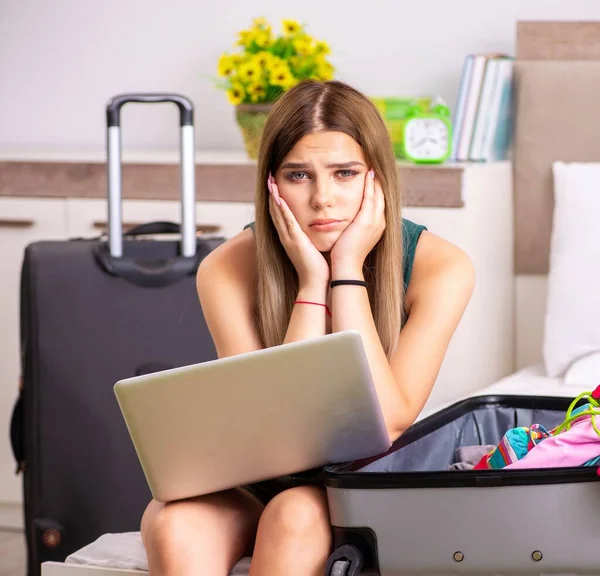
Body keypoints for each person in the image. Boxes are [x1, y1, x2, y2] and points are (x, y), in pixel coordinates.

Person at [140, 79, 475, 576]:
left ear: (376, 179)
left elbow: (386, 422)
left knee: (294, 512)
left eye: (345, 173)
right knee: (174, 524)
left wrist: (345, 270)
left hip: (352, 488)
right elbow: (274, 430)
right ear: (271, 183)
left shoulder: (441, 267)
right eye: (298, 175)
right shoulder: (226, 268)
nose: (323, 199)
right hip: (258, 474)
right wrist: (311, 283)